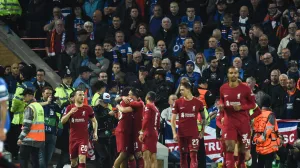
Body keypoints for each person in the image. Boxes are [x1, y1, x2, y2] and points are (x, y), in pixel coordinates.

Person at [219, 66, 256, 168]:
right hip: (229, 121)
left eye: (235, 73)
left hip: (243, 121)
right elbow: (222, 100)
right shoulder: (223, 88)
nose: (233, 75)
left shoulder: (245, 88)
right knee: (230, 147)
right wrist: (221, 105)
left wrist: (241, 107)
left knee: (242, 151)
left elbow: (252, 104)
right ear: (228, 74)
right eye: (231, 73)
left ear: (238, 74)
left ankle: (240, 165)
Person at [61, 89, 98, 168]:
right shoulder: (69, 107)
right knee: (74, 162)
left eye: (83, 95)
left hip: (83, 138)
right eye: (80, 95)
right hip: (73, 139)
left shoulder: (88, 108)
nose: (82, 96)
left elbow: (94, 121)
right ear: (74, 97)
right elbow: (62, 121)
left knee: (82, 158)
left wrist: (95, 132)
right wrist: (70, 112)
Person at [171, 82, 205, 168]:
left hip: (193, 134)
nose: (180, 92)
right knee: (183, 157)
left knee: (193, 156)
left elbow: (204, 118)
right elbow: (173, 120)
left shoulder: (198, 103)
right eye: (180, 90)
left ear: (188, 89)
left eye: (182, 90)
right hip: (181, 134)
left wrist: (202, 131)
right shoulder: (178, 102)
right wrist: (174, 133)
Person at [116, 88, 145, 167]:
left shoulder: (139, 103)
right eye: (128, 94)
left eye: (130, 94)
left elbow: (123, 109)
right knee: (127, 154)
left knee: (136, 154)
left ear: (135, 96)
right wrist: (122, 98)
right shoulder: (131, 102)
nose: (128, 96)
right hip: (128, 131)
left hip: (137, 132)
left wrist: (118, 104)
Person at [17, 89, 45, 168]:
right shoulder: (39, 106)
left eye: (25, 96)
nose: (23, 98)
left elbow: (27, 125)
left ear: (30, 96)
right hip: (39, 138)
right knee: (34, 159)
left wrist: (21, 138)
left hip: (29, 138)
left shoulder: (30, 107)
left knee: (23, 158)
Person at [253, 95, 280, 168]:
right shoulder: (270, 115)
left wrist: (257, 140)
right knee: (268, 165)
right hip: (269, 146)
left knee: (260, 164)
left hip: (259, 146)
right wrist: (261, 139)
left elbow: (254, 130)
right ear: (270, 104)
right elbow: (269, 129)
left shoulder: (256, 115)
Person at [139, 91, 160, 168]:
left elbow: (146, 119)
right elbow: (158, 124)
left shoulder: (148, 106)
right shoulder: (156, 108)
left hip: (148, 132)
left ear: (147, 97)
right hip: (155, 133)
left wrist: (142, 132)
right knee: (153, 157)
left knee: (146, 157)